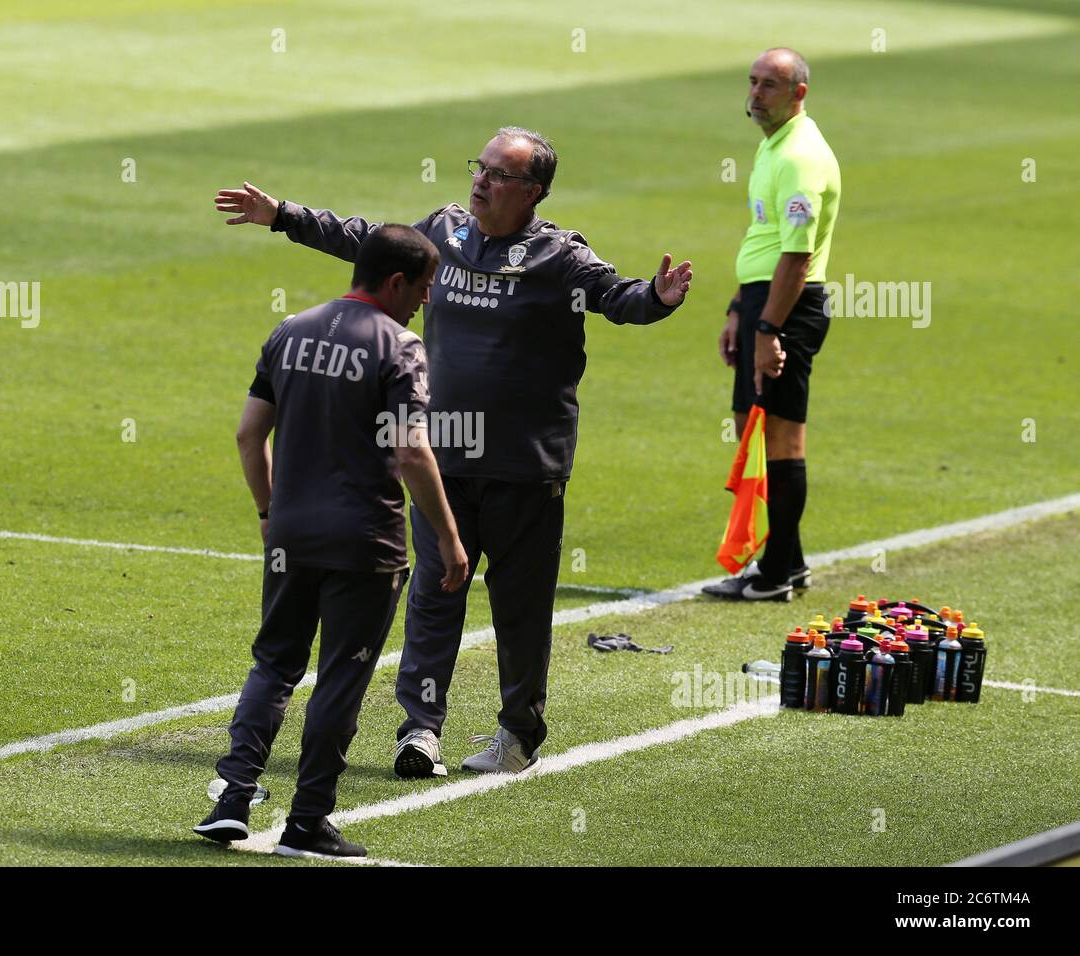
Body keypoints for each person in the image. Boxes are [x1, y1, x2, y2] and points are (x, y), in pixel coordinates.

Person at [215, 127, 691, 777]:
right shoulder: (445, 232)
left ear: (533, 192)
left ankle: (516, 733)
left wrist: (657, 299)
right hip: (442, 458)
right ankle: (421, 729)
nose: (481, 180)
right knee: (434, 597)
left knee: (519, 611)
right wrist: (284, 217)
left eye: (499, 174)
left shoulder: (559, 257)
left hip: (526, 465)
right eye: (481, 167)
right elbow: (367, 240)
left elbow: (618, 298)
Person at [194, 225, 470, 859]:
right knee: (341, 678)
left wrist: (269, 512)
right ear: (397, 282)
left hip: (290, 532)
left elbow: (246, 435)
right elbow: (410, 449)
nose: (425, 303)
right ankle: (306, 821)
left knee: (273, 664)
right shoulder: (400, 346)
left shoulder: (289, 330)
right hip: (364, 540)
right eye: (424, 289)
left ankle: (231, 801)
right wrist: (451, 541)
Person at [703, 48, 841, 602]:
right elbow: (762, 242)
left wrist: (768, 331)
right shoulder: (772, 147)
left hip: (789, 306)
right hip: (764, 302)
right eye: (753, 82)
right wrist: (740, 310)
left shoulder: (801, 157)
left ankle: (776, 573)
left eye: (769, 85)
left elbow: (796, 257)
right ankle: (792, 561)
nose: (756, 93)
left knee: (781, 439)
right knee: (751, 428)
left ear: (799, 93)